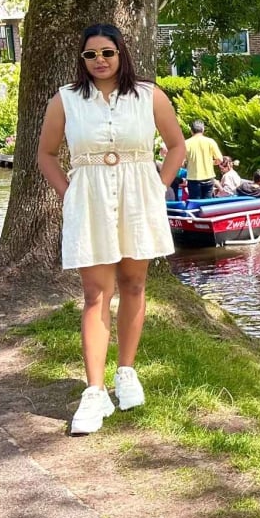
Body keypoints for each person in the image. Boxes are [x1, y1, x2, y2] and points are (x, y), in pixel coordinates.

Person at [37, 24, 187, 436]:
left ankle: (126, 371)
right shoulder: (64, 100)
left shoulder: (149, 95)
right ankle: (94, 390)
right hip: (90, 198)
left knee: (135, 284)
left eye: (107, 52)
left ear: (121, 53)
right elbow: (46, 155)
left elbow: (177, 145)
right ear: (81, 60)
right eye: (91, 54)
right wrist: (70, 193)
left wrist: (160, 185)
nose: (99, 60)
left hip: (140, 195)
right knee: (95, 293)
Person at [183, 120, 221, 199]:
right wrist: (210, 162)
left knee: (195, 204)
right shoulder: (210, 142)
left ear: (191, 131)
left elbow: (181, 163)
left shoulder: (186, 143)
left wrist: (188, 164)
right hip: (209, 177)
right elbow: (219, 159)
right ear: (203, 130)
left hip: (193, 179)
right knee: (207, 205)